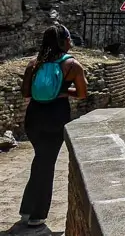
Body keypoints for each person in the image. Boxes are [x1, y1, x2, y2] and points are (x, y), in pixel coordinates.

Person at [18, 24, 88, 227]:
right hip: (55, 117)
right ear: (64, 41)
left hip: (33, 118)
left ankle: (26, 210)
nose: (70, 42)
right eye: (68, 39)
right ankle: (37, 215)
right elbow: (82, 94)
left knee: (41, 159)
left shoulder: (34, 63)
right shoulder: (73, 65)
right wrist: (63, 92)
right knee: (46, 163)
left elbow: (25, 93)